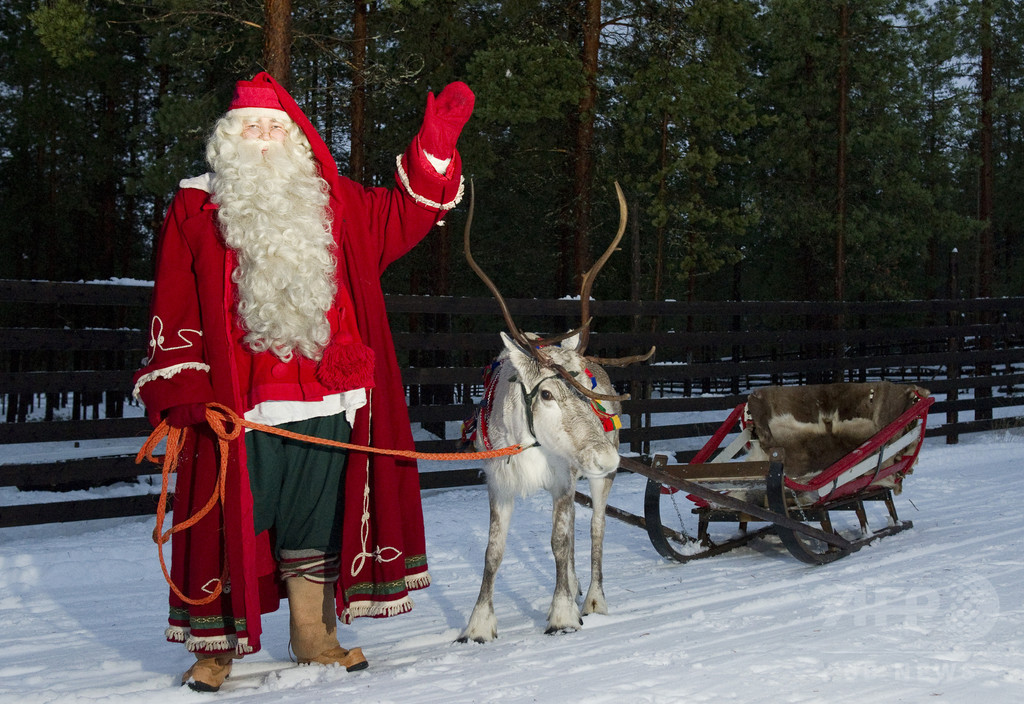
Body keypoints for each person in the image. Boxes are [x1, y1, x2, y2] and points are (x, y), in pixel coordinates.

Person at [132, 71, 474, 692]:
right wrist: (182, 389)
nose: (262, 140)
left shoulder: (334, 201)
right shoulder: (196, 207)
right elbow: (174, 301)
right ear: (227, 141)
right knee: (228, 516)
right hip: (238, 402)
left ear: (295, 139)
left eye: (274, 128)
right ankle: (217, 644)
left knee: (317, 515)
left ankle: (313, 635)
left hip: (328, 393)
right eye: (249, 129)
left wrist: (437, 145)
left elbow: (405, 215)